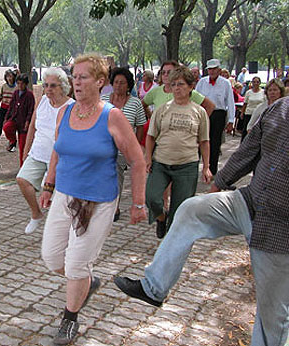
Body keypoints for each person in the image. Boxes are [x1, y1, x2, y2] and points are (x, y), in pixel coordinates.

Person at [114, 95, 289, 346]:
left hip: (280, 230)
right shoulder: (280, 108)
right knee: (192, 209)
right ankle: (153, 287)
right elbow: (248, 151)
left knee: (273, 317)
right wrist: (218, 184)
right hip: (249, 202)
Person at [40, 53, 147, 345]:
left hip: (98, 201)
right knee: (51, 257)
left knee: (75, 263)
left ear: (101, 82)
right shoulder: (65, 112)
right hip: (64, 194)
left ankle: (70, 319)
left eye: (83, 76)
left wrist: (138, 203)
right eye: (74, 76)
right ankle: (86, 283)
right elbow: (57, 150)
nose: (76, 81)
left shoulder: (111, 116)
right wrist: (48, 185)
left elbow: (138, 161)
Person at [145, 66, 211, 238]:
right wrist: (148, 158)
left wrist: (206, 167)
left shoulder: (199, 112)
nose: (177, 88)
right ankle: (161, 217)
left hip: (187, 165)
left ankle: (169, 243)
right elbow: (151, 136)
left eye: (181, 84)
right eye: (173, 84)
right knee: (152, 198)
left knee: (180, 209)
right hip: (161, 162)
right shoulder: (162, 109)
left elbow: (204, 141)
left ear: (191, 87)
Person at [17, 67, 74, 234]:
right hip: (37, 153)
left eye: (53, 85)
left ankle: (61, 229)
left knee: (56, 198)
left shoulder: (71, 107)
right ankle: (36, 214)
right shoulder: (42, 101)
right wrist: (25, 153)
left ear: (63, 86)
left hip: (58, 159)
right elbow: (33, 128)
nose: (48, 89)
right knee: (22, 180)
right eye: (46, 85)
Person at [101, 67, 146, 221]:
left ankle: (115, 207)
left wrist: (136, 144)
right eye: (116, 82)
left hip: (123, 149)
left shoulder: (135, 103)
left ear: (129, 85)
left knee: (116, 175)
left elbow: (140, 125)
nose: (119, 86)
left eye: (123, 83)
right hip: (104, 146)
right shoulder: (104, 100)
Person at [195, 58, 235, 175]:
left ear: (219, 70)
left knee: (215, 142)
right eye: (210, 69)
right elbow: (195, 99)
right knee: (199, 139)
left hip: (218, 114)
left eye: (214, 69)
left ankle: (212, 170)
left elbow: (230, 102)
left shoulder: (225, 83)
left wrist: (231, 120)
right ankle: (194, 167)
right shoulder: (202, 82)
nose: (212, 72)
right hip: (203, 113)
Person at [2, 73, 35, 166]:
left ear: (26, 84)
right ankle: (12, 141)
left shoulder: (29, 95)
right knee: (6, 127)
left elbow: (31, 109)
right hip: (15, 119)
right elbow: (11, 106)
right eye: (18, 83)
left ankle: (23, 167)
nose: (20, 86)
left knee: (23, 147)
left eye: (22, 84)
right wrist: (7, 118)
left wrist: (28, 121)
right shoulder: (16, 93)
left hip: (24, 123)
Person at [0, 69, 17, 151]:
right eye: (7, 76)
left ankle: (12, 143)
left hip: (12, 110)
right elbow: (0, 97)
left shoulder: (17, 88)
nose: (9, 78)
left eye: (11, 76)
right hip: (3, 108)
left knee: (9, 127)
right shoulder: (4, 86)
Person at [240, 76, 265, 142]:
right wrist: (242, 112)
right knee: (246, 130)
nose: (256, 83)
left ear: (259, 83)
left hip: (259, 115)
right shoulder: (248, 92)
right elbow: (245, 103)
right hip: (249, 113)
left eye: (257, 82)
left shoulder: (263, 92)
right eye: (254, 82)